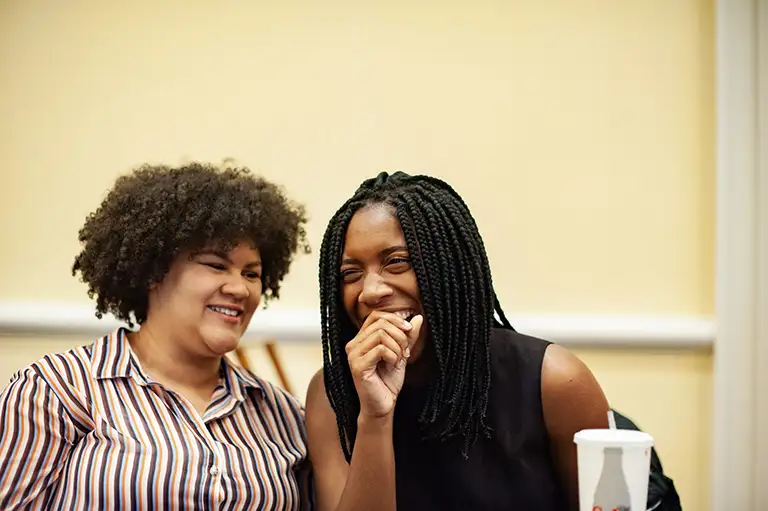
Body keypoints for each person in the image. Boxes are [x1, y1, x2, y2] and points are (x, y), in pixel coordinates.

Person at [0, 162, 314, 510]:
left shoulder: (284, 415)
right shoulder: (56, 391)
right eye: (215, 265)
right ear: (153, 272)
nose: (239, 288)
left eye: (252, 274)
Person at [306, 171, 612, 511]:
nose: (371, 291)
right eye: (351, 273)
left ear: (448, 266)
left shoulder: (555, 380)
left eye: (397, 262)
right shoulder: (331, 393)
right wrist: (375, 418)